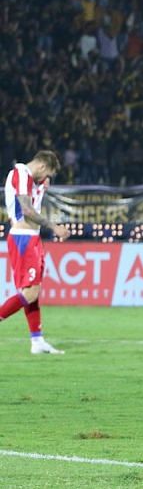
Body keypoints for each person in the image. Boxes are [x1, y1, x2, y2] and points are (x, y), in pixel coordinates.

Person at [1, 150, 70, 354]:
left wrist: (41, 186)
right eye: (47, 173)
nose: (46, 178)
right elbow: (28, 210)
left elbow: (34, 201)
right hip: (23, 239)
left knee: (33, 291)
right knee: (30, 292)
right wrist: (54, 227)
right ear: (41, 166)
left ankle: (37, 341)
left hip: (32, 238)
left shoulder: (32, 181)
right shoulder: (20, 174)